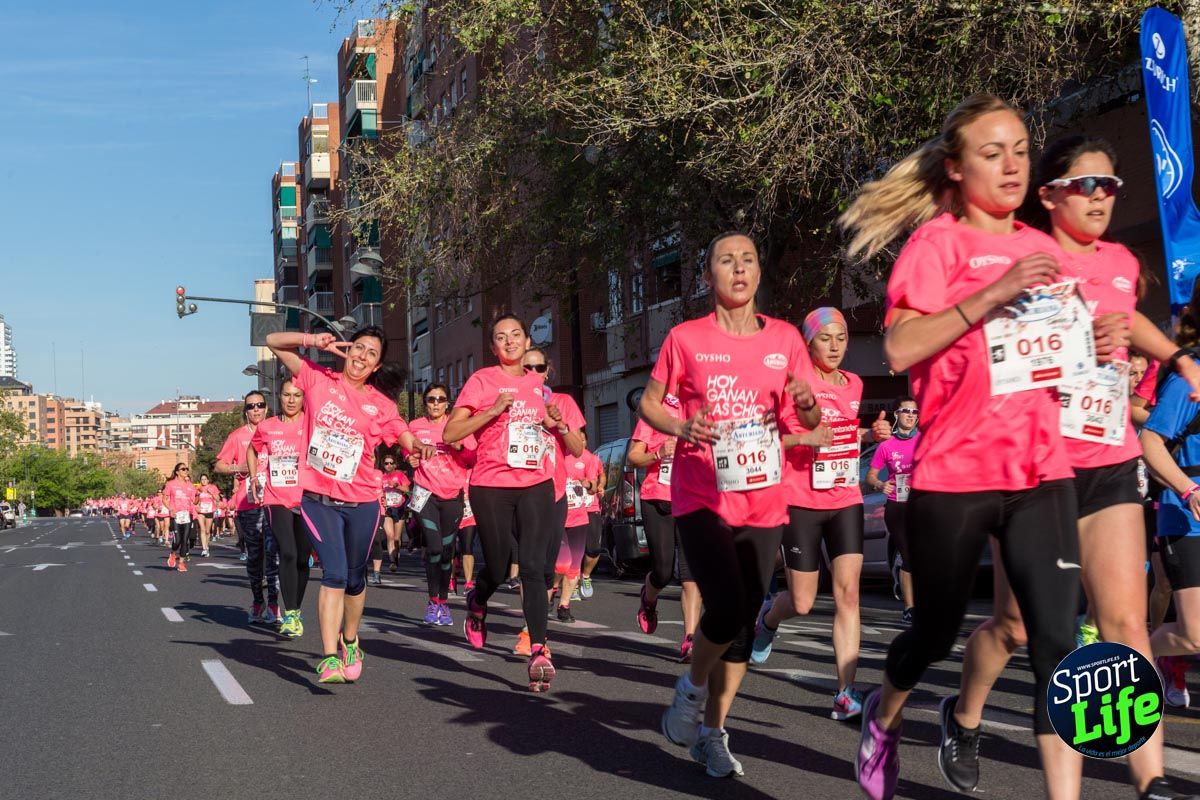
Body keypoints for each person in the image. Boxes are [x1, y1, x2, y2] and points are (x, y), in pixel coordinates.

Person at [933, 135, 1200, 800]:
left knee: (1126, 627)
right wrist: (1081, 337)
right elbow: (996, 348)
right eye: (1086, 185)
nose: (1101, 197)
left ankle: (1151, 780)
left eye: (1111, 186)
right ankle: (962, 715)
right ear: (1050, 194)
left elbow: (1126, 316)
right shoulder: (1018, 254)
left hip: (1109, 458)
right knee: (1018, 627)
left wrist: (1176, 357)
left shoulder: (1119, 261)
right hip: (1035, 468)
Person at [838, 94, 1085, 800]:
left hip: (1040, 470)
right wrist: (993, 291)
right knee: (936, 632)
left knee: (1057, 644)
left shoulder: (1045, 246)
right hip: (955, 471)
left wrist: (1093, 348)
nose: (1012, 166)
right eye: (992, 153)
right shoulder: (936, 246)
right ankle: (885, 713)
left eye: (1020, 151)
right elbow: (901, 346)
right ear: (955, 167)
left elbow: (1056, 357)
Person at [649, 231, 821, 777]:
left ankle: (713, 734)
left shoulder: (787, 339)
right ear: (709, 276)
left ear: (758, 273)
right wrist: (681, 426)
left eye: (748, 259)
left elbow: (807, 419)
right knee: (724, 605)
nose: (739, 268)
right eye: (727, 260)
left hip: (764, 499)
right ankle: (691, 688)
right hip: (701, 494)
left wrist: (808, 403)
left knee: (743, 622)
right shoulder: (685, 338)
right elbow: (650, 404)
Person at [266, 326, 432, 684]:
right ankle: (329, 658)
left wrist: (416, 446)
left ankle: (351, 640)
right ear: (347, 349)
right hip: (318, 499)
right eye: (359, 347)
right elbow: (273, 342)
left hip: (363, 501)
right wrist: (312, 341)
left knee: (355, 579)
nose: (362, 356)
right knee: (335, 573)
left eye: (372, 353)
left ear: (377, 365)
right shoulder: (317, 379)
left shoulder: (381, 404)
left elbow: (402, 434)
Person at [750, 306, 891, 722]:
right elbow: (765, 437)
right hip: (800, 500)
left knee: (849, 594)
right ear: (808, 343)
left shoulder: (854, 383)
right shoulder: (793, 383)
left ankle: (845, 692)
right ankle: (769, 618)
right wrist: (806, 439)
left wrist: (869, 433)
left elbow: (842, 434)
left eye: (841, 338)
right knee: (803, 601)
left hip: (845, 497)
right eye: (825, 338)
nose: (834, 346)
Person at [443, 314, 575, 691]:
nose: (510, 341)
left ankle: (539, 650)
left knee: (533, 568)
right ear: (493, 347)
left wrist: (556, 422)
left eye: (516, 334)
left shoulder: (538, 386)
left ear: (527, 340)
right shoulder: (481, 381)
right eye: (501, 337)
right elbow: (451, 432)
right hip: (491, 485)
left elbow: (552, 430)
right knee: (499, 568)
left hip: (536, 482)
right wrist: (491, 411)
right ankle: (478, 600)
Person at [510, 347, 586, 656]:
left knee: (548, 568)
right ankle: (532, 634)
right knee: (530, 565)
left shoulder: (563, 402)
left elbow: (578, 449)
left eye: (538, 368)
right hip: (520, 491)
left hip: (554, 493)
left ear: (547, 370)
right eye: (525, 368)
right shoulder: (511, 400)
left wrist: (561, 425)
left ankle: (538, 620)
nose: (532, 373)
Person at [628, 391, 702, 660]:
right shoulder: (655, 412)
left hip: (692, 499)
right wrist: (658, 453)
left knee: (691, 575)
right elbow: (633, 457)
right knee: (662, 571)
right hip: (658, 498)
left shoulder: (703, 410)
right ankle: (648, 599)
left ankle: (690, 639)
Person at [408, 382, 476, 626]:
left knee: (447, 551)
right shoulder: (415, 426)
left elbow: (472, 458)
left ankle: (443, 602)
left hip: (452, 495)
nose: (436, 403)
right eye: (431, 399)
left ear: (448, 403)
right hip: (425, 494)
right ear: (425, 402)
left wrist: (459, 447)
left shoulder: (459, 426)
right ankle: (432, 600)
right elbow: (406, 448)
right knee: (434, 548)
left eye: (440, 399)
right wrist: (410, 458)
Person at [248, 379, 310, 639]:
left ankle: (296, 608)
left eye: (297, 395)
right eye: (286, 395)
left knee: (303, 558)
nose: (291, 400)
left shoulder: (312, 423)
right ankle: (291, 613)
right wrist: (254, 477)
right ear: (279, 396)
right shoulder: (267, 426)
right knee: (288, 552)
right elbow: (252, 449)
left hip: (308, 498)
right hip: (276, 498)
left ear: (304, 398)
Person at [216, 390, 279, 623]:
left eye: (260, 405)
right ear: (245, 411)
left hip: (276, 500)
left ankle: (274, 604)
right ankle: (258, 601)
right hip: (248, 503)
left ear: (266, 408)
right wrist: (238, 467)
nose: (256, 409)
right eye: (251, 406)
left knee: (274, 554)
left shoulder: (277, 430)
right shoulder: (237, 436)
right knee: (255, 555)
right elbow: (219, 466)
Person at [866, 398, 921, 623]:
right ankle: (910, 607)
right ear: (897, 414)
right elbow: (871, 475)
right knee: (908, 556)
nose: (910, 415)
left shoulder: (925, 440)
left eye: (914, 412)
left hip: (922, 504)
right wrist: (880, 484)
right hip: (897, 505)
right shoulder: (886, 445)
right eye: (906, 411)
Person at [554, 441, 603, 623]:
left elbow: (594, 486)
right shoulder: (553, 450)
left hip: (578, 517)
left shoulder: (588, 458)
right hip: (556, 517)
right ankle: (553, 587)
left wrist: (589, 484)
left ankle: (564, 606)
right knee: (561, 563)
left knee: (574, 566)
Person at [372, 458, 409, 585]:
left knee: (397, 538)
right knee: (390, 536)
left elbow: (408, 489)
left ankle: (396, 556)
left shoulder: (400, 475)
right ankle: (392, 561)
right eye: (386, 463)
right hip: (387, 508)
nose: (388, 465)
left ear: (395, 464)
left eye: (391, 463)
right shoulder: (380, 477)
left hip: (399, 508)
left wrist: (397, 486)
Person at [163, 464, 198, 573]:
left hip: (187, 514)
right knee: (177, 540)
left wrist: (198, 495)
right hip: (176, 514)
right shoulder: (170, 484)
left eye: (187, 469)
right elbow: (164, 499)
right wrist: (171, 509)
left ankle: (181, 563)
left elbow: (195, 501)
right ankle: (173, 553)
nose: (186, 471)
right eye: (183, 469)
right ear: (177, 472)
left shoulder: (190, 485)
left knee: (185, 540)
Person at [195, 475, 221, 557]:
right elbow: (195, 501)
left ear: (208, 480)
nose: (203, 481)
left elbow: (218, 499)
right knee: (202, 529)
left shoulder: (213, 487)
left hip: (210, 510)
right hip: (201, 511)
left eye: (205, 479)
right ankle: (204, 549)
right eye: (202, 479)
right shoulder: (198, 488)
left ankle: (207, 546)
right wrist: (197, 495)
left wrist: (212, 493)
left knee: (207, 531)